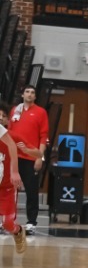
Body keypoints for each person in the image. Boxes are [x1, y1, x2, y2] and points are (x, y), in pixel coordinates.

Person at [9, 85, 49, 235]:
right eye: (27, 92)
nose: (30, 94)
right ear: (22, 95)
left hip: (31, 157)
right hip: (14, 157)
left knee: (32, 191)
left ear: (35, 96)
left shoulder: (40, 112)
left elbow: (43, 136)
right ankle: (8, 220)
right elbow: (9, 133)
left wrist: (40, 156)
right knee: (10, 190)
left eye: (32, 92)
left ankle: (31, 222)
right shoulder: (15, 111)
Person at [0, 103, 27, 253]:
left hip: (6, 186)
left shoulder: (8, 135)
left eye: (3, 116)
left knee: (7, 224)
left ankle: (17, 231)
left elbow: (14, 146)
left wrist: (15, 172)